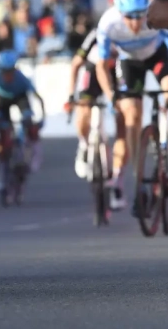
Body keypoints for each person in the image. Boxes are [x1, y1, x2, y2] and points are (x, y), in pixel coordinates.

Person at [94, 0, 168, 218]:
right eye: (129, 17)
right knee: (131, 113)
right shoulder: (108, 24)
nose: (136, 23)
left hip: (158, 56)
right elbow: (101, 65)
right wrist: (110, 96)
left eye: (140, 16)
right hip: (130, 64)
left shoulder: (157, 16)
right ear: (119, 13)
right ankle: (139, 179)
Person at [64, 28, 127, 210]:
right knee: (83, 108)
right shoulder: (97, 34)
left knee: (123, 124)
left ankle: (118, 180)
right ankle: (84, 144)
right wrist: (70, 94)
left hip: (117, 72)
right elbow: (76, 64)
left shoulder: (130, 32)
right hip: (92, 70)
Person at [0, 50, 45, 197]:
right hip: (2, 102)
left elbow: (37, 97)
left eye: (10, 71)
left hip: (20, 98)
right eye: (4, 72)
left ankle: (31, 150)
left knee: (27, 120)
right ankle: (4, 166)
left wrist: (41, 117)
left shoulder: (21, 78)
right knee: (1, 131)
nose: (8, 75)